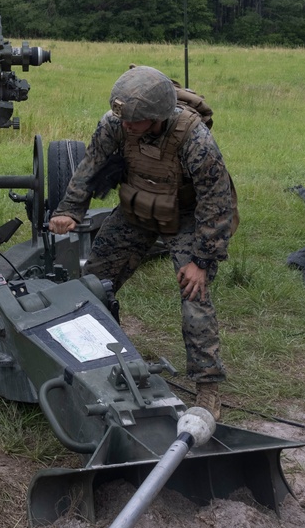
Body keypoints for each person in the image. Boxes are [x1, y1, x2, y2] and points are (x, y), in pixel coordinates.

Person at [48, 65, 235, 421]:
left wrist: (201, 260)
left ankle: (207, 387)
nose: (126, 127)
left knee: (195, 298)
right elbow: (91, 165)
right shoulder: (115, 123)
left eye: (134, 121)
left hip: (185, 218)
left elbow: (217, 202)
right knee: (92, 284)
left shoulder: (196, 141)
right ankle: (91, 358)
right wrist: (70, 210)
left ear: (156, 117)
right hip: (136, 211)